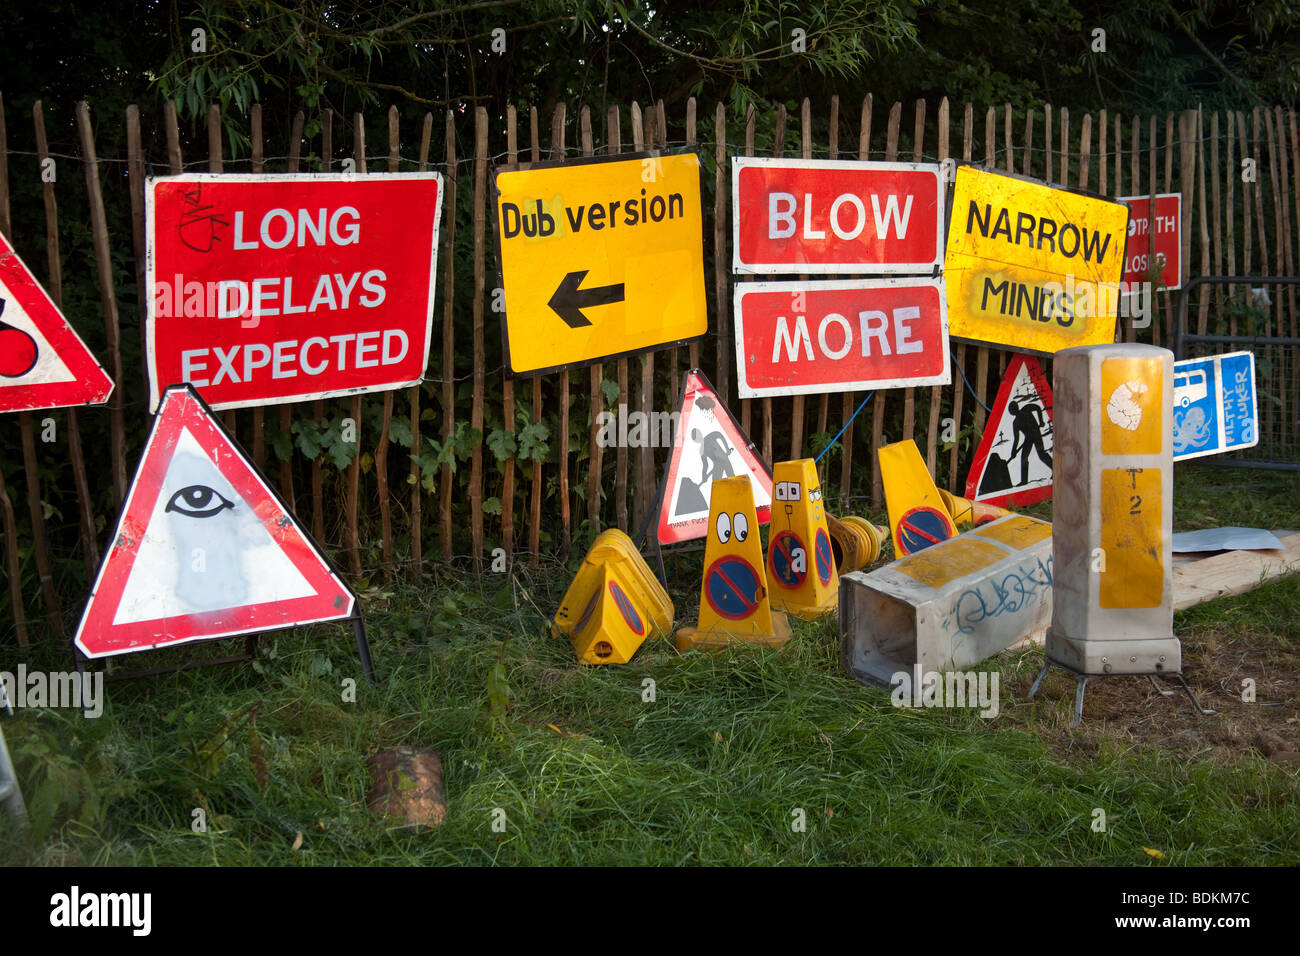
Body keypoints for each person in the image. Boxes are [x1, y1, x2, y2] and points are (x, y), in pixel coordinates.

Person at [1007, 400, 1052, 486]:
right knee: (1024, 457)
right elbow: (1016, 439)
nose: (1012, 411)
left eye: (1012, 409)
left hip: (1036, 433)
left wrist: (1041, 421)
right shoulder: (1016, 422)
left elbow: (1038, 408)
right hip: (1028, 438)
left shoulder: (1026, 409)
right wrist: (1013, 451)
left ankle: (1055, 470)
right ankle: (1024, 481)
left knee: (1041, 454)